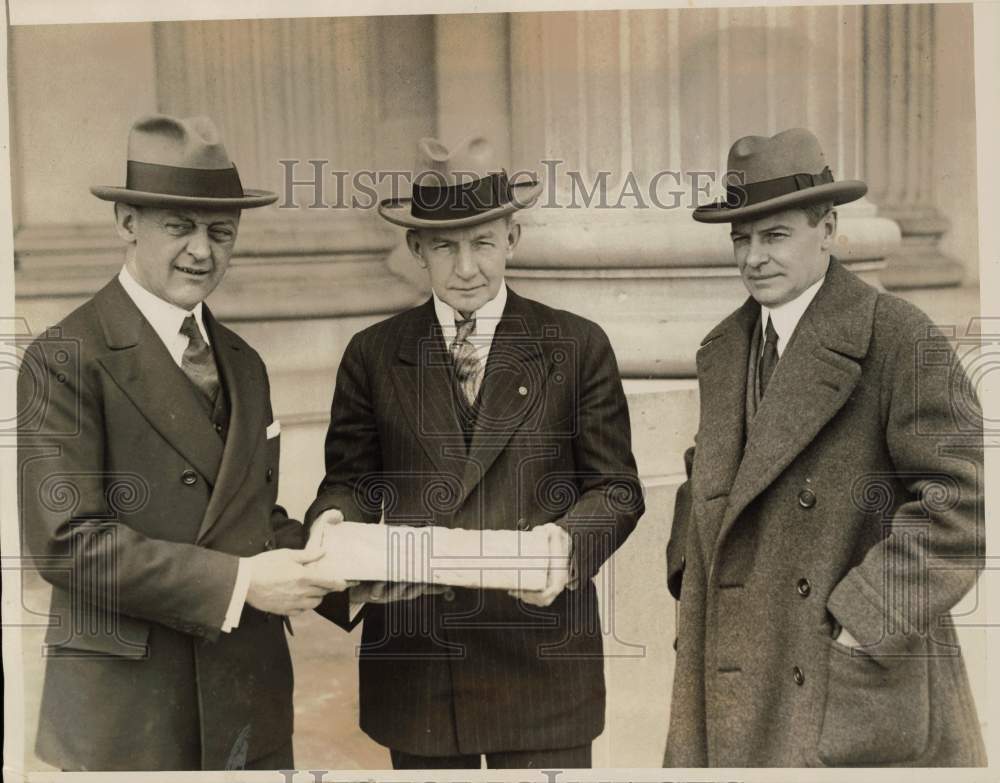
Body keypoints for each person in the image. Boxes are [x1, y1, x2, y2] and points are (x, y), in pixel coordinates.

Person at [17, 114, 351, 771]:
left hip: (247, 700)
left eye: (220, 231)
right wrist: (241, 583)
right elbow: (67, 542)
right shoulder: (64, 356)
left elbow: (248, 517)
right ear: (127, 223)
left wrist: (346, 567)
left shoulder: (244, 361)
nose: (202, 250)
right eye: (179, 226)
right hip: (130, 713)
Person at [305, 136, 645, 769]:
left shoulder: (575, 345)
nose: (466, 268)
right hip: (422, 667)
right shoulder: (373, 354)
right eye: (445, 247)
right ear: (416, 249)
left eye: (483, 243)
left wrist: (567, 547)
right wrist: (330, 526)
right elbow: (351, 483)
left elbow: (617, 490)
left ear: (512, 238)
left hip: (541, 661)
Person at [663, 128, 986, 766]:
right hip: (730, 658)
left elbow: (959, 506)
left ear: (828, 228)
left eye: (775, 235)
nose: (755, 257)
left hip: (843, 671)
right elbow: (708, 474)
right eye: (741, 239)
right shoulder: (723, 348)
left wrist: (863, 618)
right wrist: (690, 574)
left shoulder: (896, 336)